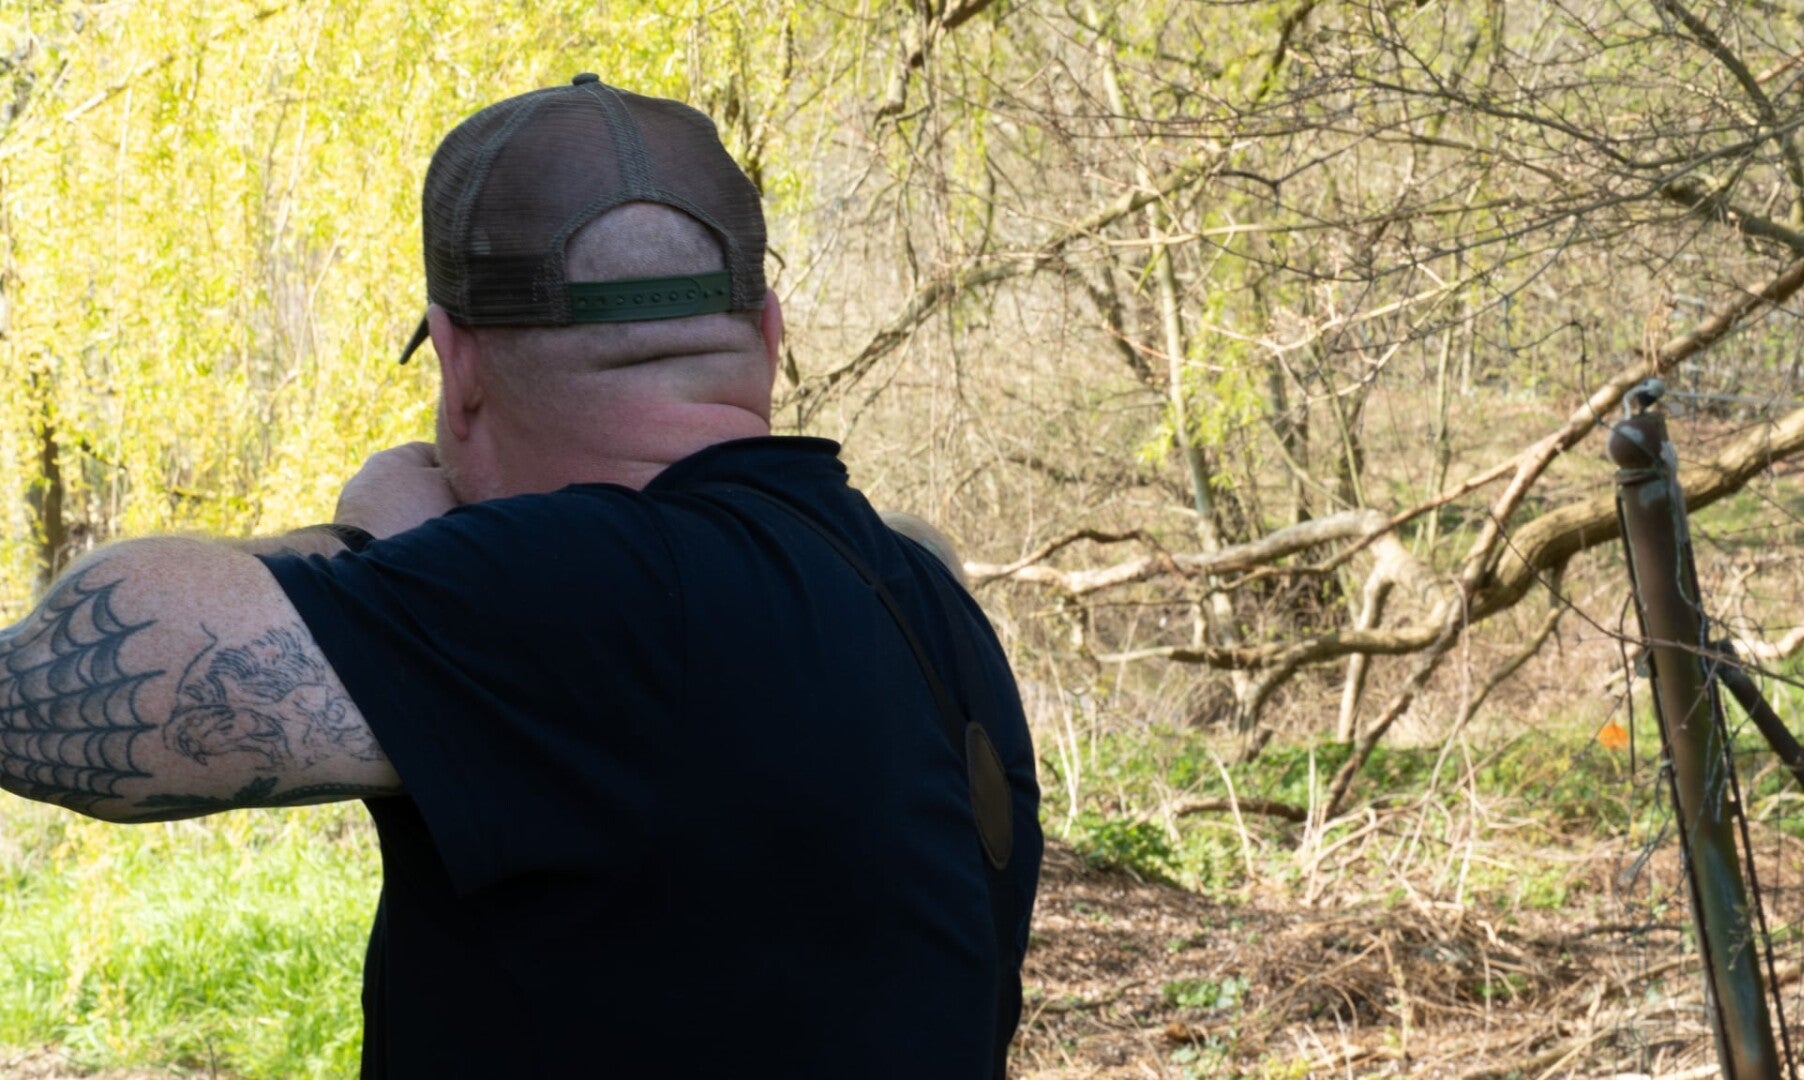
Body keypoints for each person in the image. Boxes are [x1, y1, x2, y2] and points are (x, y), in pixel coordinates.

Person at [0, 74, 1042, 1078]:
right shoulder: (924, 591)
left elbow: (33, 693)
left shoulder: (581, 593)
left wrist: (373, 548)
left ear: (457, 365)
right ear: (768, 331)